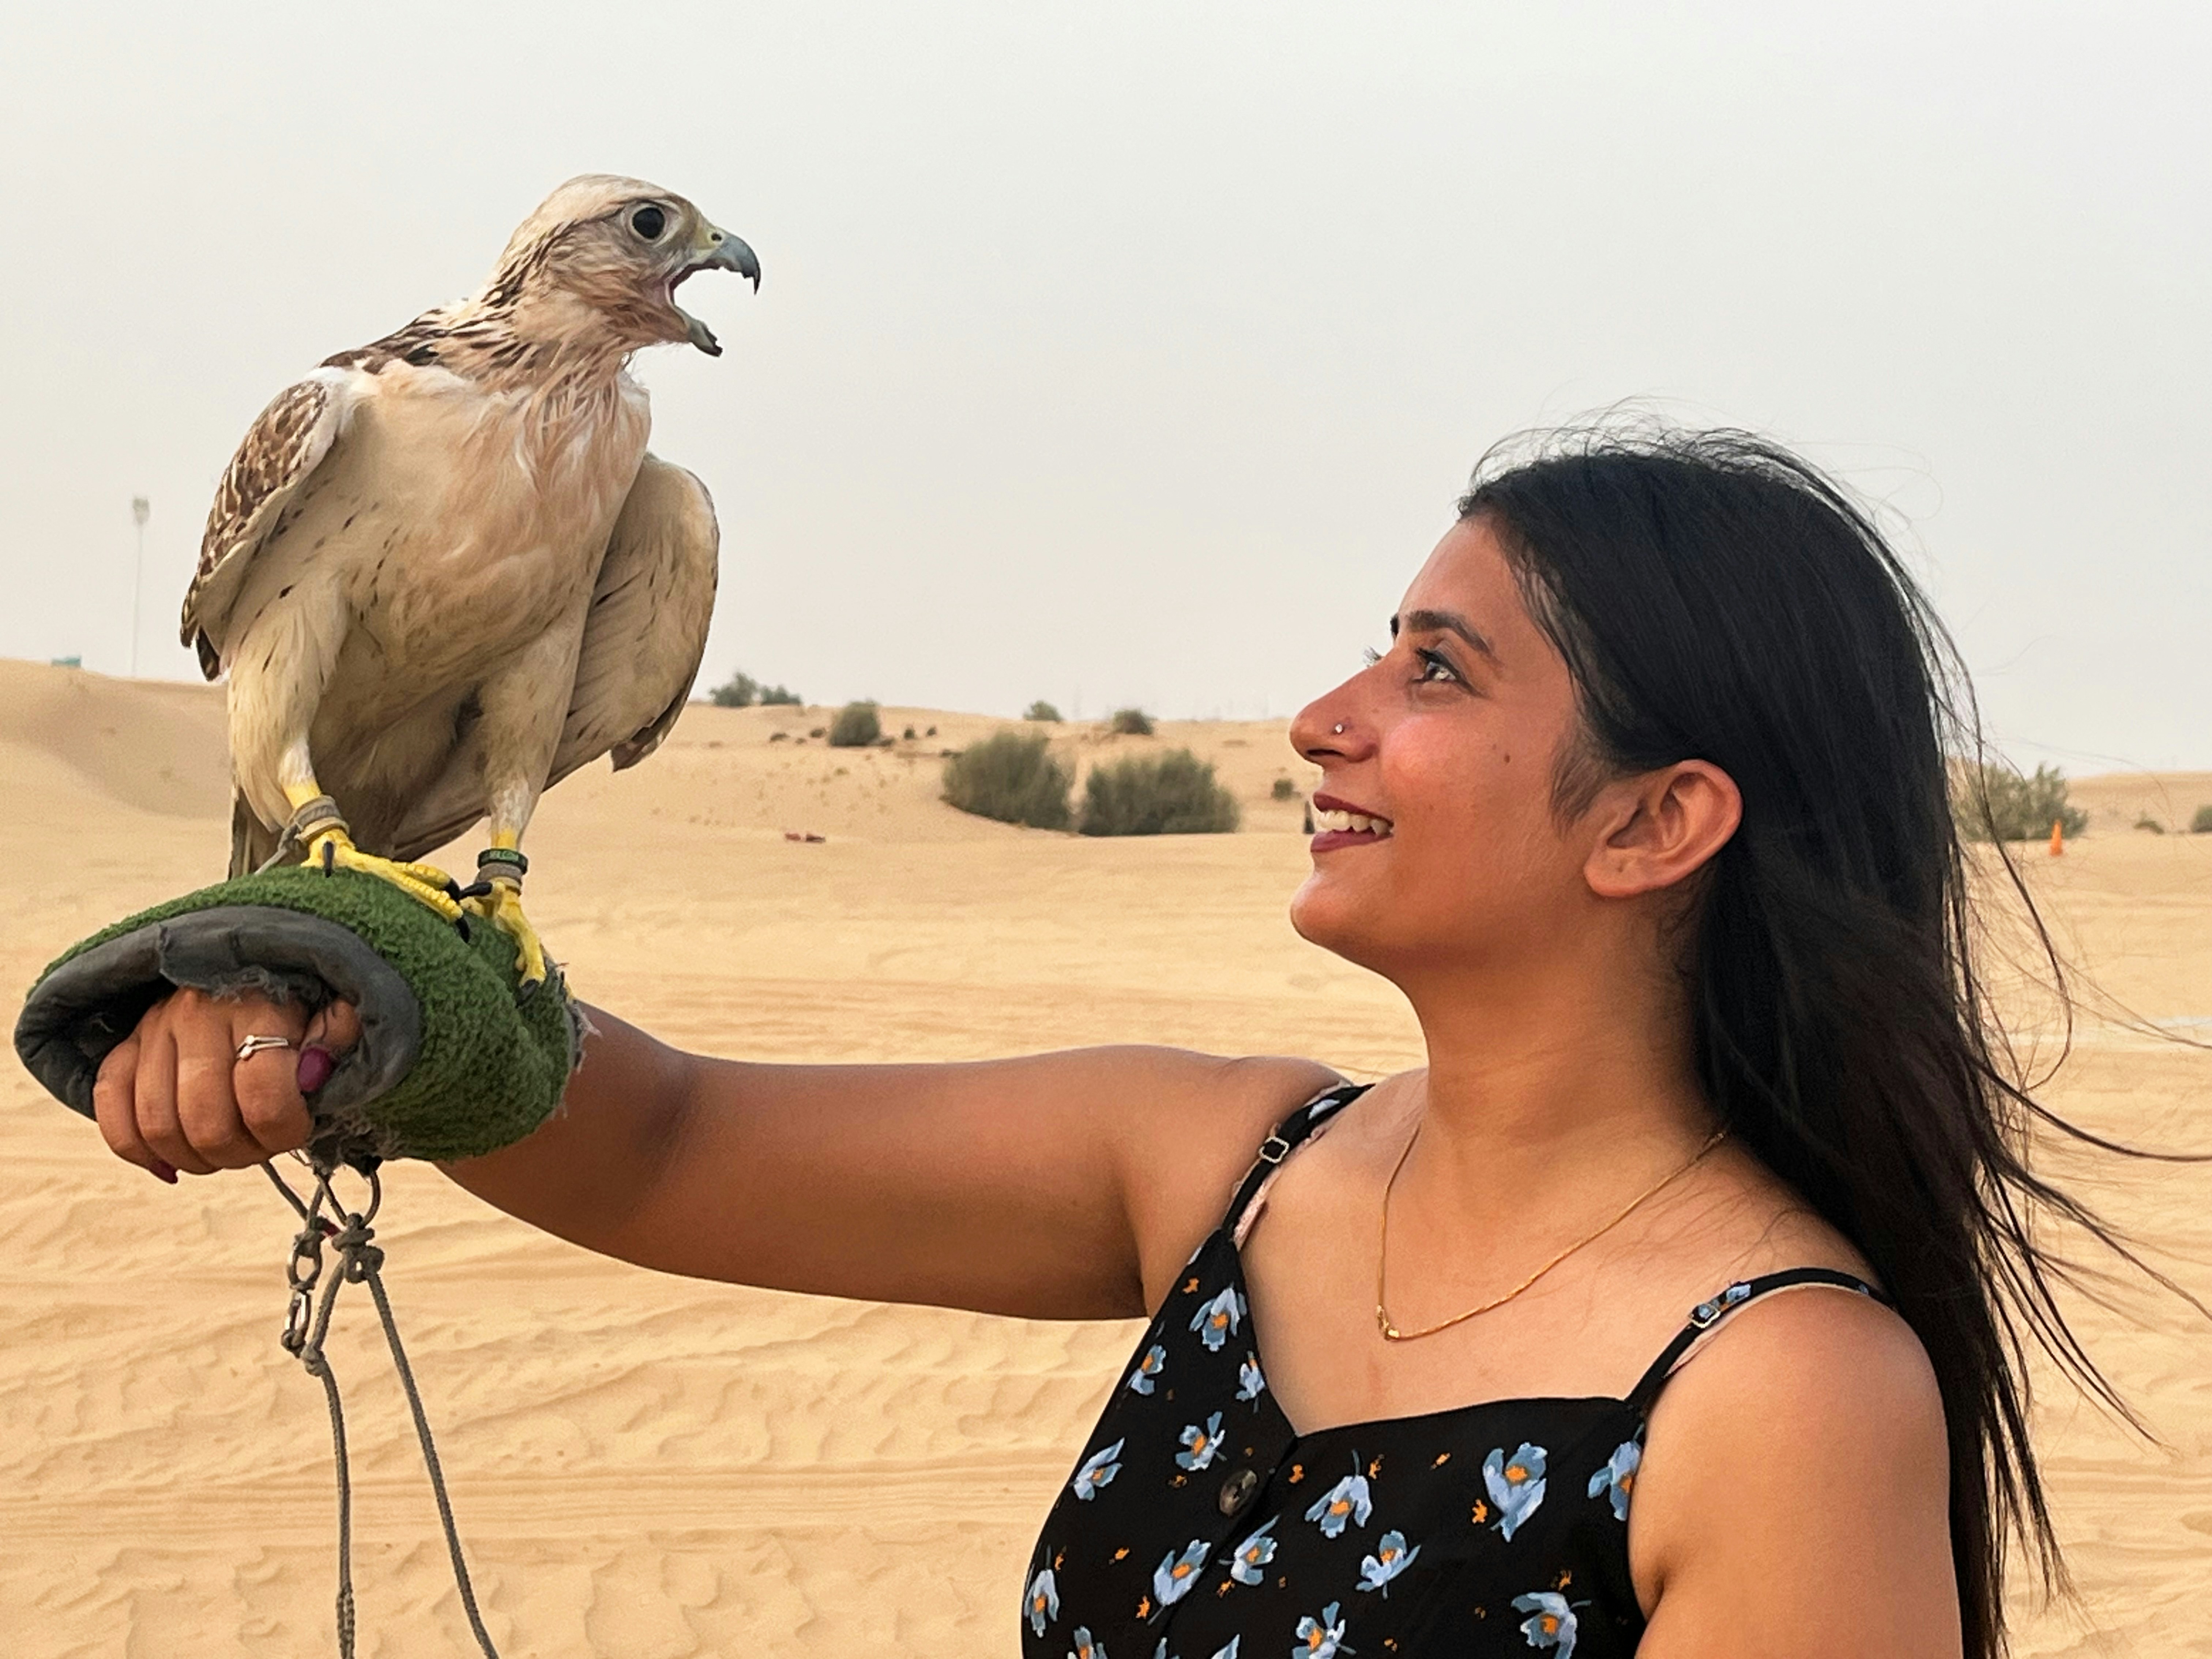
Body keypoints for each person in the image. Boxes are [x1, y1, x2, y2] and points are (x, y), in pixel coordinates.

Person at [90, 426, 2109, 1657]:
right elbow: (666, 1142)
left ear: (1658, 819)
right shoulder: (1231, 1164)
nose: (1327, 714)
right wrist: (350, 1000)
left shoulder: (1782, 1396)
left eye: (1434, 667)